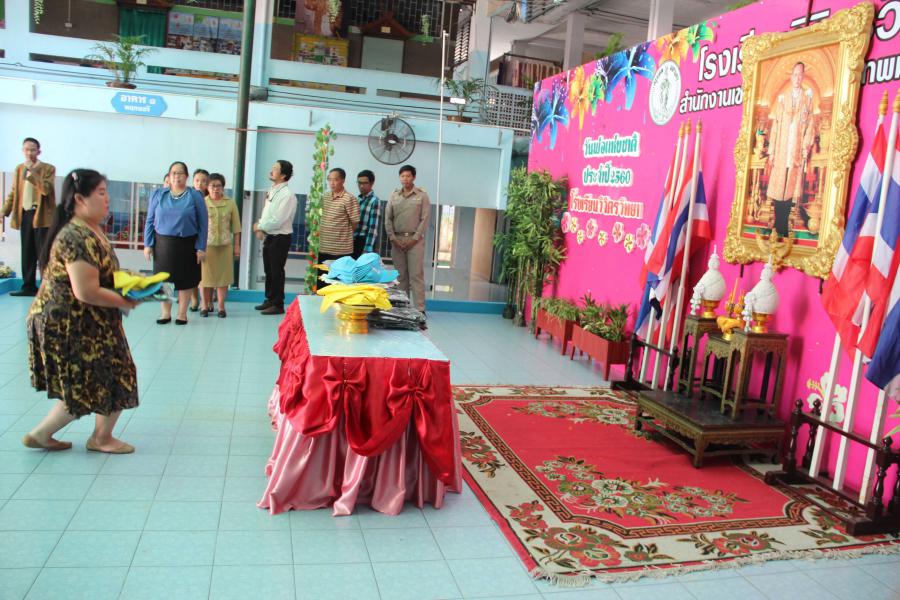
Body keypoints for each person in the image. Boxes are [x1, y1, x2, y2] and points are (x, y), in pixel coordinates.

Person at [23, 169, 139, 454]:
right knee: (91, 379)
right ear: (79, 199)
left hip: (86, 319)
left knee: (106, 374)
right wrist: (124, 301)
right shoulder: (75, 236)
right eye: (101, 193)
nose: (107, 199)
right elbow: (86, 291)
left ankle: (49, 435)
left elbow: (101, 274)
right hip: (67, 322)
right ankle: (98, 438)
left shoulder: (91, 230)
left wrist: (133, 283)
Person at [143, 161, 208, 325]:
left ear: (186, 176)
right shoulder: (158, 194)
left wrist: (201, 247)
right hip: (163, 245)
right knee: (165, 281)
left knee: (185, 280)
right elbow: (149, 220)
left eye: (180, 173)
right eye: (173, 173)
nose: (176, 176)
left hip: (187, 244)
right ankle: (165, 313)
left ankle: (182, 314)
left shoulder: (195, 196)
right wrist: (148, 244)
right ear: (169, 175)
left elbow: (203, 223)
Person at [2, 137, 56, 296]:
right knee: (27, 252)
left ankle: (47, 288)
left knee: (43, 253)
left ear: (39, 151)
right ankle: (28, 287)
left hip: (41, 216)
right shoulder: (20, 169)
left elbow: (46, 189)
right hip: (25, 214)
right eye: (26, 149)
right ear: (22, 151)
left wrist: (32, 173)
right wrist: (3, 211)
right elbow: (14, 193)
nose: (29, 152)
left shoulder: (48, 168)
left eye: (32, 149)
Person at [766, 61, 815, 237]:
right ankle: (777, 224)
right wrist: (772, 151)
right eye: (795, 74)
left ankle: (782, 226)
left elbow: (810, 125)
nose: (797, 78)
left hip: (795, 151)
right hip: (781, 150)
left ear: (803, 77)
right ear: (791, 76)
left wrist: (805, 147)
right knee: (779, 187)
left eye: (800, 75)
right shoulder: (783, 99)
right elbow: (776, 127)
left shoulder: (807, 100)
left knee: (789, 189)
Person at [253, 160, 296, 316]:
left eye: (275, 169)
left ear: (283, 175)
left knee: (277, 271)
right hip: (271, 235)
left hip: (280, 237)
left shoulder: (287, 195)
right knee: (269, 270)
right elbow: (268, 214)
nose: (271, 171)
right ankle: (270, 299)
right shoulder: (273, 190)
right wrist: (261, 226)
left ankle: (278, 304)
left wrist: (259, 226)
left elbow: (278, 220)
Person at [385, 164, 430, 313]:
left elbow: (425, 219)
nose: (405, 179)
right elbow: (388, 219)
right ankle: (402, 308)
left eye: (408, 176)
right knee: (400, 277)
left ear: (414, 177)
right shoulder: (394, 195)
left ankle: (419, 310)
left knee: (416, 276)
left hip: (415, 241)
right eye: (402, 176)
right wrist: (393, 238)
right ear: (400, 178)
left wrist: (414, 239)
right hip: (397, 240)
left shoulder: (422, 196)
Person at [200, 173, 241, 318]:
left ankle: (221, 307)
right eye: (212, 186)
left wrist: (237, 246)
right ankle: (205, 306)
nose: (215, 189)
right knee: (206, 278)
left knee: (223, 279)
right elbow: (197, 226)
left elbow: (236, 227)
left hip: (225, 246)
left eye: (219, 186)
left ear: (223, 187)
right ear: (207, 187)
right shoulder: (202, 203)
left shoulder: (230, 203)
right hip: (206, 247)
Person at [319, 168, 360, 263]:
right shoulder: (325, 197)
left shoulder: (349, 199)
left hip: (341, 250)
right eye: (329, 179)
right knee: (321, 272)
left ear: (343, 181)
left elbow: (355, 222)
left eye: (335, 180)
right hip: (324, 247)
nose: (332, 183)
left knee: (337, 273)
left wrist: (341, 234)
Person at [353, 169, 380, 259]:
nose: (361, 186)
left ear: (372, 183)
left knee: (361, 267)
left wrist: (367, 249)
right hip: (353, 240)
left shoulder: (374, 200)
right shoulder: (357, 199)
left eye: (365, 183)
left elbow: (373, 228)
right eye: (359, 183)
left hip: (364, 241)